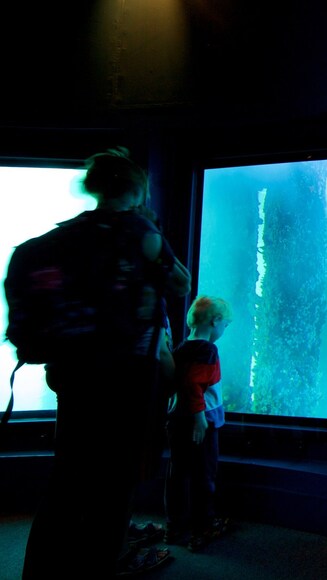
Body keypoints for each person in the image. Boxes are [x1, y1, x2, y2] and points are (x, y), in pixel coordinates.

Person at [21, 147, 190, 578]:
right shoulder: (139, 230)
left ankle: (40, 571)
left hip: (73, 375)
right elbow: (180, 281)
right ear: (135, 187)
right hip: (126, 379)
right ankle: (99, 565)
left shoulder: (63, 237)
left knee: (66, 477)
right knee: (114, 485)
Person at [164, 295, 233, 552]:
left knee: (178, 473)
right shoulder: (207, 350)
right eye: (225, 324)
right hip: (200, 423)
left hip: (176, 420)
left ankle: (175, 525)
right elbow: (194, 384)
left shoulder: (182, 348)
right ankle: (204, 525)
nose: (224, 329)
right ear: (215, 321)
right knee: (204, 473)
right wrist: (200, 419)